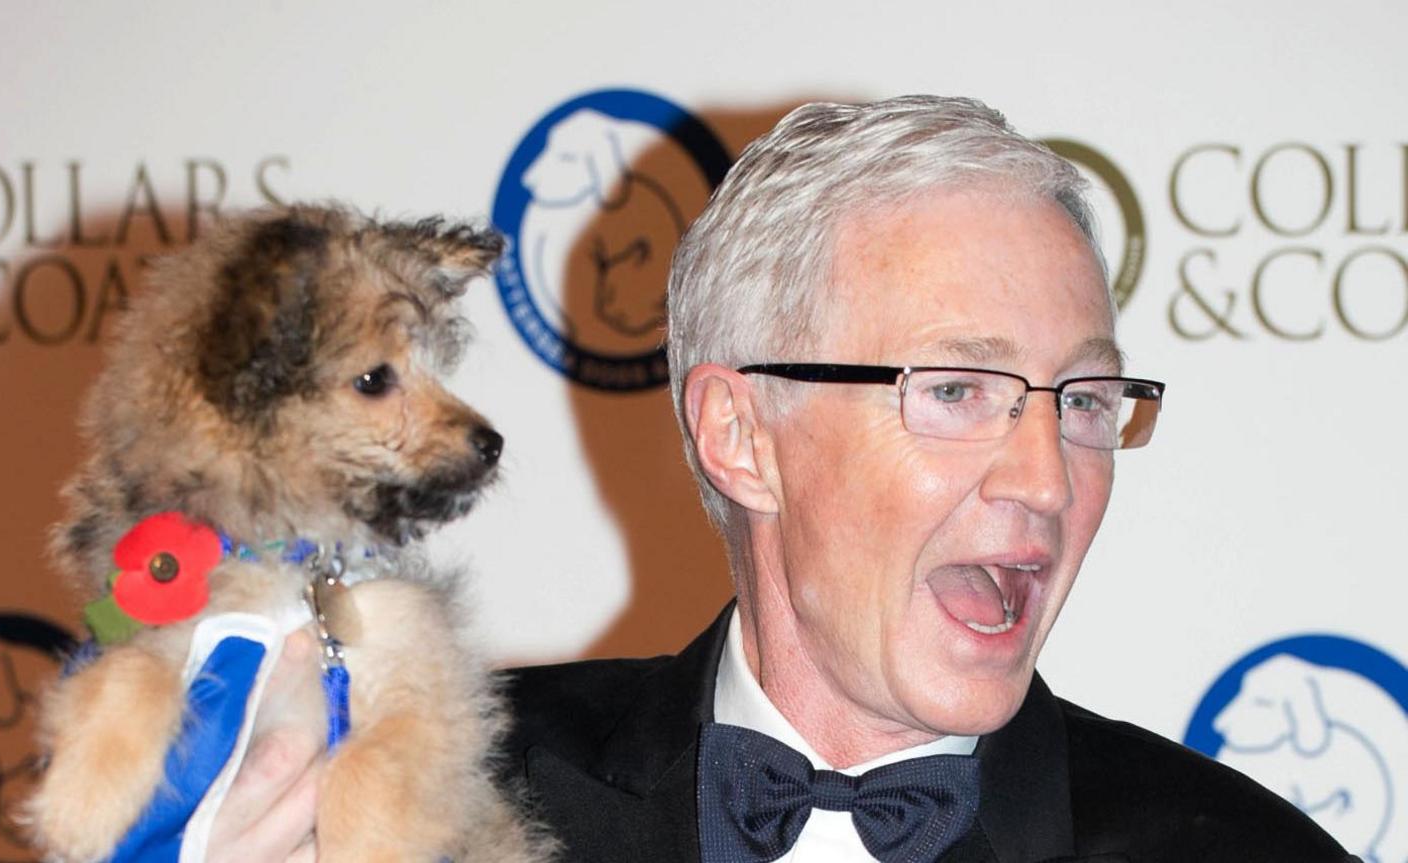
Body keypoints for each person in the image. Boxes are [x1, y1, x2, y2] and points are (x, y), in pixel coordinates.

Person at [202, 96, 1354, 862]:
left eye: (1086, 402)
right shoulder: (431, 800)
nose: (1049, 478)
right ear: (740, 433)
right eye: (957, 391)